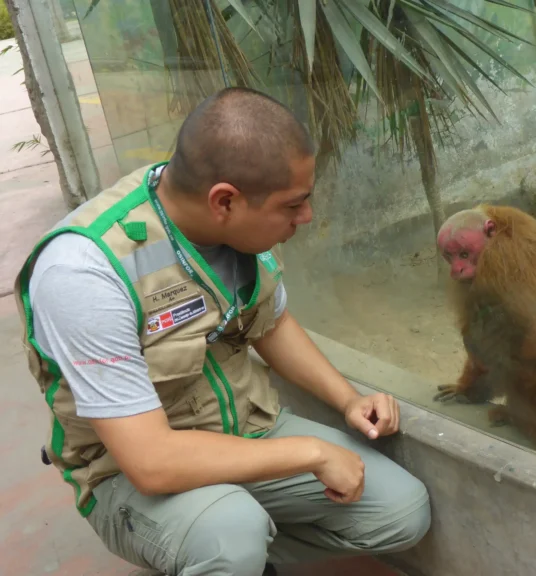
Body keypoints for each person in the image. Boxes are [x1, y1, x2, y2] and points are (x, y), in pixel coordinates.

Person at [14, 87, 431, 576]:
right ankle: (220, 549)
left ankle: (224, 553)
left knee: (403, 512)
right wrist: (313, 452)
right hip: (128, 471)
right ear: (225, 200)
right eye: (293, 205)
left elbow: (271, 323)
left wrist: (347, 400)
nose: (307, 217)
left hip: (245, 429)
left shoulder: (232, 229)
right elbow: (151, 463)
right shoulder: (83, 275)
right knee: (230, 533)